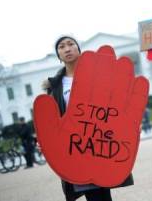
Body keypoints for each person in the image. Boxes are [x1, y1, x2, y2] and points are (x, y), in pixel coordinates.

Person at [42, 36, 133, 201]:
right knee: (93, 193)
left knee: (102, 192)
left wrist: (129, 125)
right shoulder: (55, 86)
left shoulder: (97, 75)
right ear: (58, 55)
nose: (67, 49)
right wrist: (46, 141)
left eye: (71, 44)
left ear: (79, 48)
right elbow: (52, 120)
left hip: (100, 142)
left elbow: (115, 104)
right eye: (61, 47)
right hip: (76, 148)